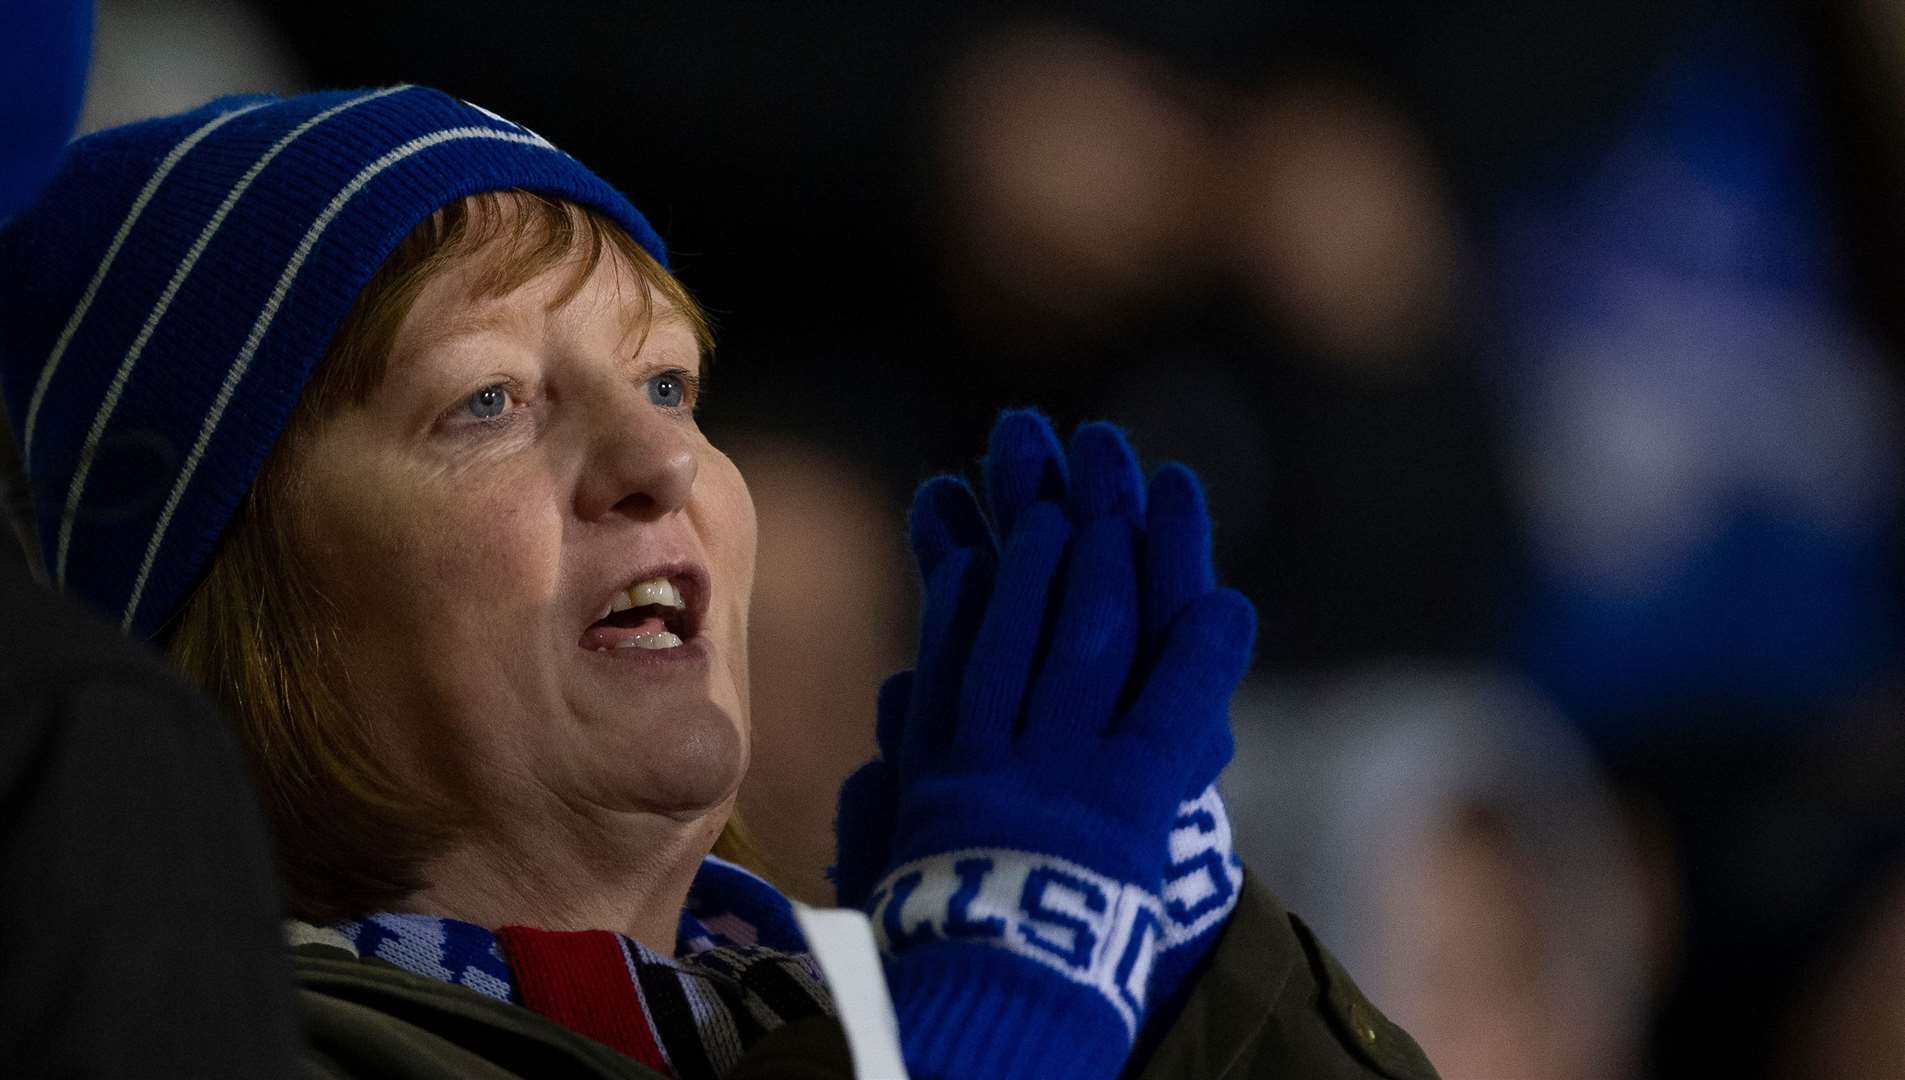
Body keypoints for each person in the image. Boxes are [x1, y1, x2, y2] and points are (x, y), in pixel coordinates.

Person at [0, 85, 1438, 1079]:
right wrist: (990, 1010)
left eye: (673, 382)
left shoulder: (840, 989)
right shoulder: (196, 1041)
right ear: (231, 596)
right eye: (488, 401)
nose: (658, 460)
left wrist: (1183, 993)